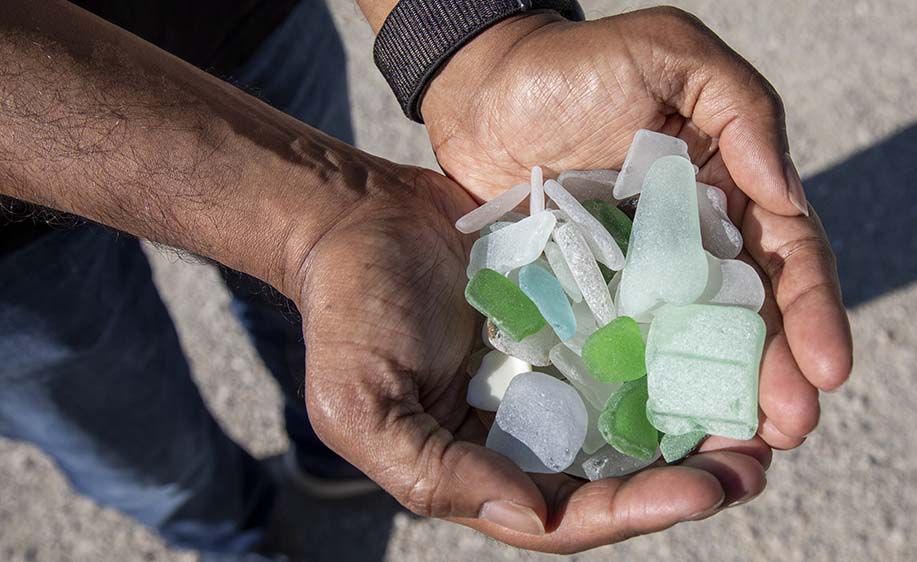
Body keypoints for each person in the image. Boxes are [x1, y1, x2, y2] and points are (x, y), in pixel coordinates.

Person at [0, 0, 853, 558]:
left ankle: (322, 466)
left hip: (248, 19)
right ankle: (233, 535)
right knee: (138, 446)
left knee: (305, 320)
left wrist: (480, 33)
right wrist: (316, 228)